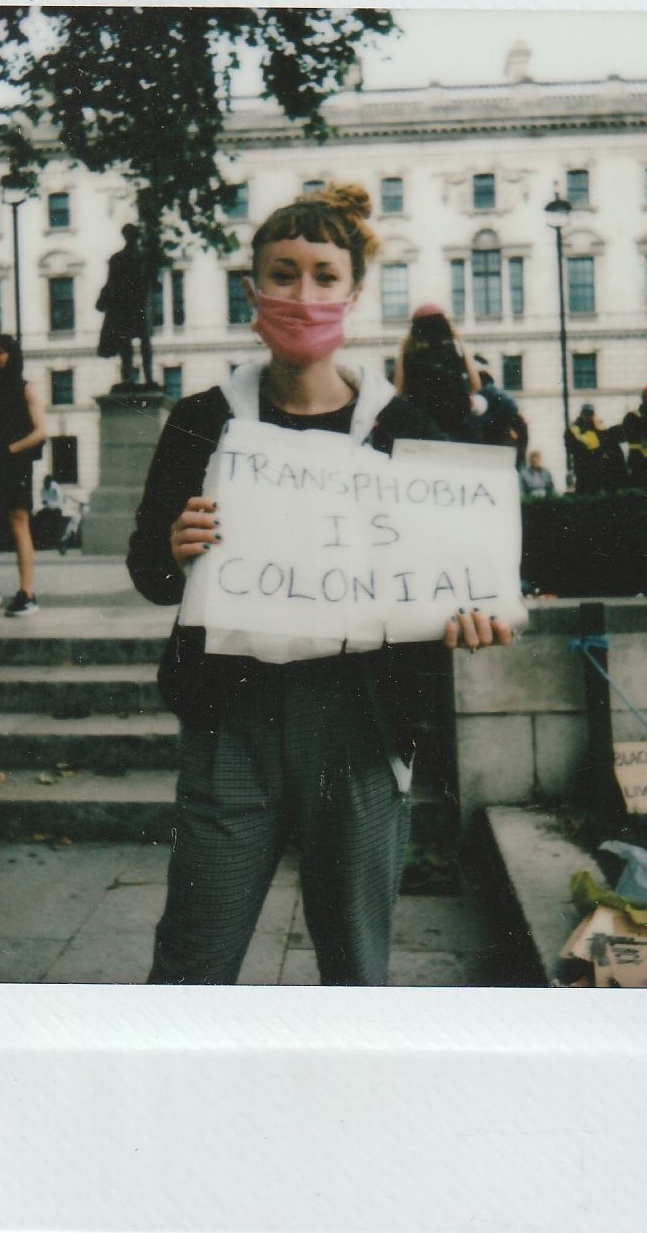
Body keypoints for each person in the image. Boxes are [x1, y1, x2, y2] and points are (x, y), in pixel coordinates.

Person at [127, 182, 513, 987]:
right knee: (192, 960)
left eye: (324, 276)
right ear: (253, 289)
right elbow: (151, 573)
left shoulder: (404, 428)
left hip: (362, 723)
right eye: (284, 272)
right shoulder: (202, 418)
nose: (303, 295)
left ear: (355, 292)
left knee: (356, 962)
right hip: (230, 720)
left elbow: (453, 574)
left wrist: (471, 616)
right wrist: (173, 546)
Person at [0, 334, 47, 616]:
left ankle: (27, 593)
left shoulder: (27, 389)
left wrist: (10, 449)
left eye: (0, 352)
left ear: (11, 355)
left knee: (18, 524)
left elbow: (41, 431)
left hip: (15, 465)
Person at [394, 303, 486, 441]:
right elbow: (476, 385)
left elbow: (398, 391)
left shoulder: (409, 353)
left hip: (422, 427)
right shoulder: (455, 349)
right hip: (456, 426)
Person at [96, 223, 157, 388]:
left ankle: (133, 377)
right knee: (136, 343)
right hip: (133, 305)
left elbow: (110, 283)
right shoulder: (142, 258)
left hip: (131, 306)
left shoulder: (122, 258)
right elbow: (155, 284)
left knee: (132, 343)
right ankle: (143, 377)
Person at [565, 403, 626, 495]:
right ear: (581, 414)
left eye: (590, 414)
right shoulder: (573, 430)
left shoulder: (600, 429)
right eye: (586, 413)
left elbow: (611, 441)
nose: (588, 417)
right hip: (585, 474)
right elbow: (578, 450)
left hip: (601, 473)